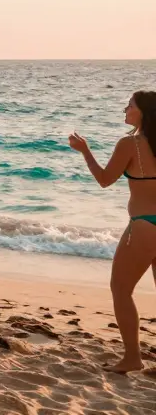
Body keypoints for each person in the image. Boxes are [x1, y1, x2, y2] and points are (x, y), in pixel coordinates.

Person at [68, 91, 156, 373]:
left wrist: (85, 151)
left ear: (142, 112)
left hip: (144, 226)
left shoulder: (131, 143)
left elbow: (105, 179)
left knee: (120, 289)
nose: (125, 109)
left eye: (129, 106)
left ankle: (133, 357)